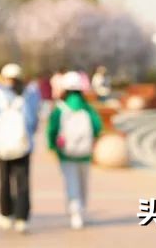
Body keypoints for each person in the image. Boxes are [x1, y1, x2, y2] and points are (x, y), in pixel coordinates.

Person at [0, 63, 40, 233]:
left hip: (1, 144)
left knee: (4, 180)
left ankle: (6, 214)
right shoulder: (28, 95)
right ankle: (22, 217)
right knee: (23, 181)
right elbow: (32, 121)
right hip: (23, 144)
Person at [47, 70, 102, 230]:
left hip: (66, 153)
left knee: (71, 182)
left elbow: (52, 130)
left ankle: (75, 212)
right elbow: (97, 126)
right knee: (83, 183)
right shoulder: (87, 108)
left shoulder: (60, 108)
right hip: (85, 153)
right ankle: (82, 211)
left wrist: (52, 146)